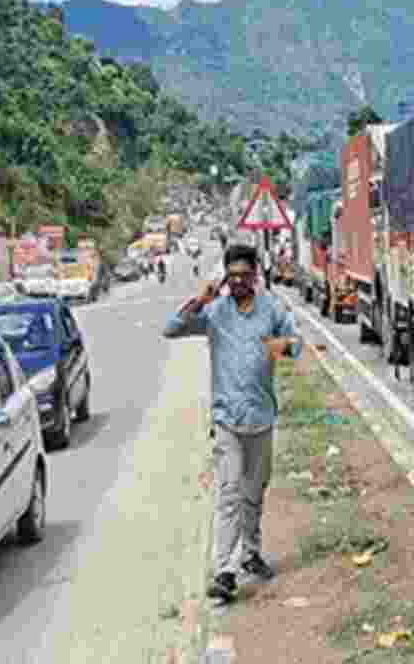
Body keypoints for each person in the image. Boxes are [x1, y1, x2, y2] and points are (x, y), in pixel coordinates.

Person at [162, 244, 301, 603]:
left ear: (256, 274)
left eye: (244, 275)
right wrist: (200, 300)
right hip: (227, 420)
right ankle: (223, 571)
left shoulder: (271, 309)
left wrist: (269, 347)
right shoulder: (215, 312)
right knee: (229, 494)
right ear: (225, 276)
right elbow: (171, 328)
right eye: (232, 275)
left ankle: (250, 554)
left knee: (254, 492)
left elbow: (295, 345)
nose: (238, 281)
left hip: (261, 416)